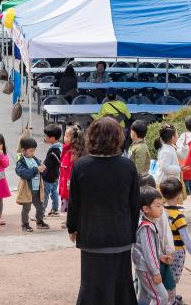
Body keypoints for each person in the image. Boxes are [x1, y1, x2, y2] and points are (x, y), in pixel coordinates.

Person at [67, 117, 138, 303]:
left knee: (91, 283)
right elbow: (134, 204)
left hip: (91, 234)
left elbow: (74, 201)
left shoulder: (81, 166)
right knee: (121, 283)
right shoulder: (128, 166)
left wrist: (72, 227)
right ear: (118, 137)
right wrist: (132, 233)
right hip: (120, 234)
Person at [161, 177, 191, 305]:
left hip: (163, 250)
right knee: (173, 277)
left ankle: (170, 296)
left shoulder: (160, 211)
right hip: (177, 251)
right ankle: (171, 300)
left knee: (166, 275)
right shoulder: (178, 216)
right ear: (179, 195)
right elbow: (186, 237)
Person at [133, 186, 170, 305]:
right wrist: (156, 272)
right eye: (158, 206)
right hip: (147, 269)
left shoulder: (146, 222)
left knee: (144, 298)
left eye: (161, 205)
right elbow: (148, 251)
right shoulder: (147, 227)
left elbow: (150, 248)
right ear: (146, 209)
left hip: (144, 267)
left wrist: (160, 256)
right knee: (161, 297)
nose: (161, 209)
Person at [15, 137, 48, 232]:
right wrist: (36, 169)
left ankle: (40, 221)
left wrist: (44, 170)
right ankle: (25, 224)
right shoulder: (21, 161)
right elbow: (24, 174)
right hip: (27, 190)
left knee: (40, 206)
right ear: (23, 150)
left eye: (34, 151)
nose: (32, 153)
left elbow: (42, 173)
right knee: (26, 208)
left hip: (37, 189)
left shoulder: (35, 159)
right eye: (30, 151)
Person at [58, 123, 84, 229]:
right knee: (69, 203)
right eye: (64, 135)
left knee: (73, 203)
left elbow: (72, 170)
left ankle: (73, 221)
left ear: (74, 139)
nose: (64, 138)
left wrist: (69, 182)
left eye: (67, 136)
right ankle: (69, 220)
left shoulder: (74, 153)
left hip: (70, 183)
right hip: (65, 182)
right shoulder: (66, 149)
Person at [42, 124, 63, 216]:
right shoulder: (60, 147)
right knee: (54, 192)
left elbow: (48, 164)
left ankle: (41, 212)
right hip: (56, 175)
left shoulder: (54, 151)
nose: (45, 137)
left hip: (49, 176)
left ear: (53, 138)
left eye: (46, 136)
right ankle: (55, 209)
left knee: (45, 194)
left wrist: (42, 167)